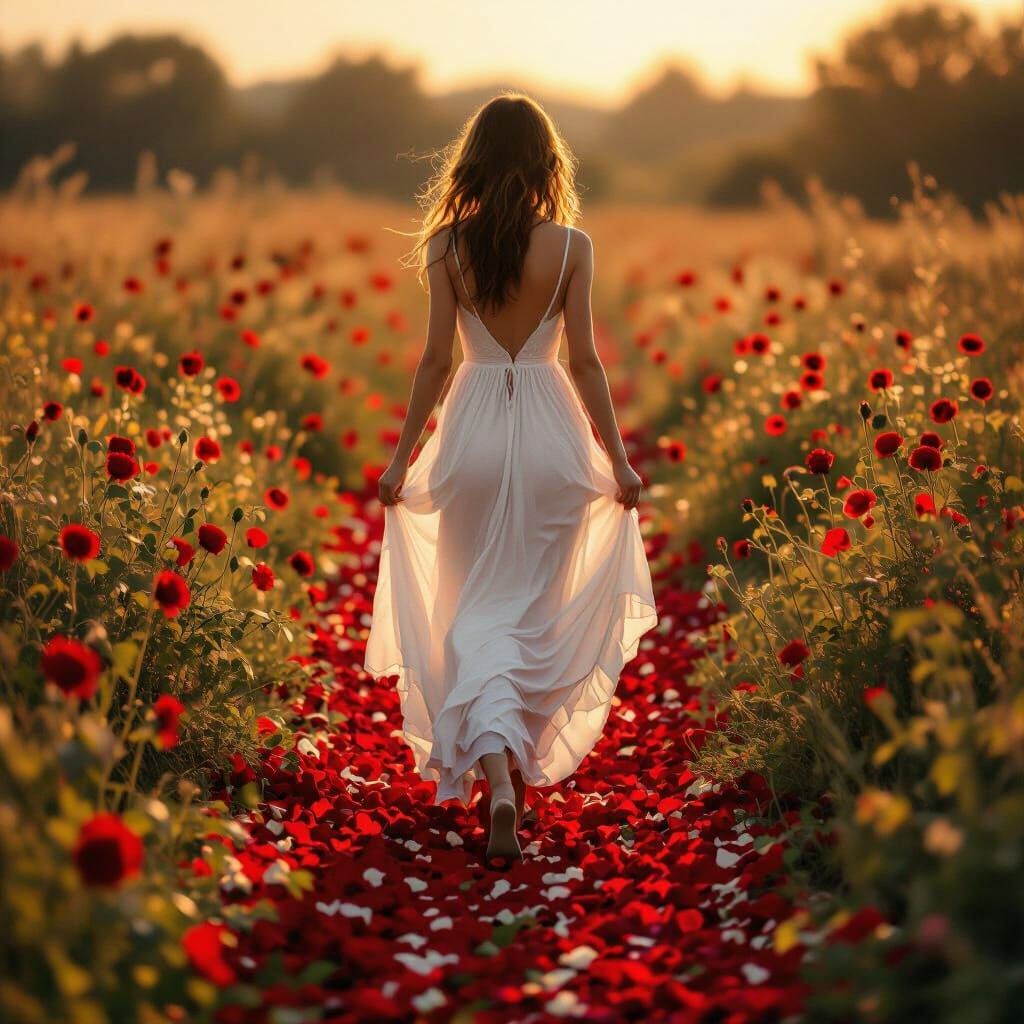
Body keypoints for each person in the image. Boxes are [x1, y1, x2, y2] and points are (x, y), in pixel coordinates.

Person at [364, 93, 658, 864]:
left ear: (474, 160)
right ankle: (511, 775)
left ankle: (497, 779)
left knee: (473, 612)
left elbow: (434, 362)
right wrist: (620, 463)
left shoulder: (446, 247)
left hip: (474, 436)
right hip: (553, 438)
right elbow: (588, 362)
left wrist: (399, 463)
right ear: (545, 162)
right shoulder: (571, 247)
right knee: (535, 609)